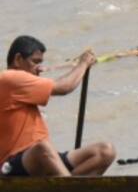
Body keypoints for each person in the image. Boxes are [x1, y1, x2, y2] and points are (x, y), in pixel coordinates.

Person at [1, 35, 116, 178]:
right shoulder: (9, 78)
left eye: (40, 63)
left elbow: (60, 84)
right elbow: (64, 87)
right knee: (42, 147)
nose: (39, 69)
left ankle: (67, 185)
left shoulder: (22, 86)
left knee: (105, 151)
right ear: (18, 59)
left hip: (44, 159)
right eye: (35, 62)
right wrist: (83, 64)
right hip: (14, 163)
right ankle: (68, 187)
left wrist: (82, 65)